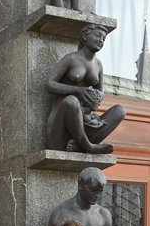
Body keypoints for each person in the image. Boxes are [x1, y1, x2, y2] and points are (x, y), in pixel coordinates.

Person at [46, 24, 125, 155]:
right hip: (60, 129)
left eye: (104, 39)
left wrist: (97, 98)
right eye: (98, 35)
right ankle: (87, 146)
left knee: (119, 110)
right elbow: (50, 84)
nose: (101, 40)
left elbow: (101, 91)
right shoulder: (71, 58)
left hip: (85, 122)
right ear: (84, 36)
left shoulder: (98, 65)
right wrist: (78, 91)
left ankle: (80, 144)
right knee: (71, 101)